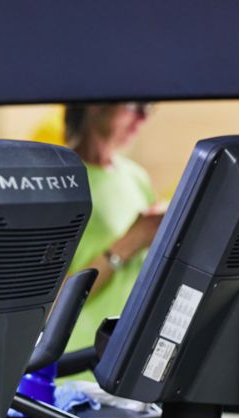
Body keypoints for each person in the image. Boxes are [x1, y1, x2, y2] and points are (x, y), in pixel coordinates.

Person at [62, 102, 164, 359]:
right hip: (81, 367)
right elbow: (51, 304)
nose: (142, 118)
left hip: (131, 356)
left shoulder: (135, 176)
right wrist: (131, 241)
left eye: (148, 109)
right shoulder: (61, 180)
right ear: (94, 104)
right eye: (134, 106)